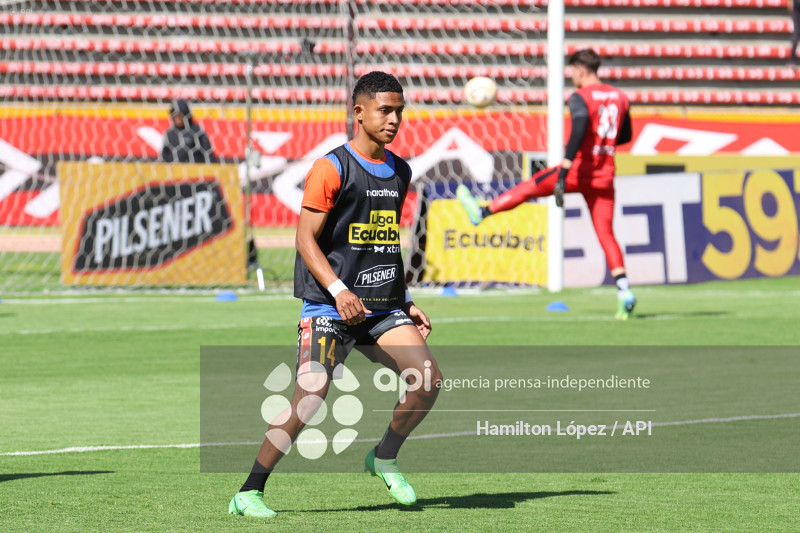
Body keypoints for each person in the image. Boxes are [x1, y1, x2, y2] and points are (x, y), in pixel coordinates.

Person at [228, 71, 442, 518]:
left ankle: (383, 456)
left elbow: (384, 242)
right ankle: (249, 492)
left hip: (381, 307)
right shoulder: (331, 167)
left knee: (427, 381)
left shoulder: (400, 170)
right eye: (385, 110)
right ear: (358, 111)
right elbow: (305, 240)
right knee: (310, 394)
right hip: (329, 304)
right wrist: (339, 289)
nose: (394, 119)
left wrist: (404, 301)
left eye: (399, 111)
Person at [456, 48, 636, 320]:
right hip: (605, 174)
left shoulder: (581, 96)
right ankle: (625, 292)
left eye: (572, 71)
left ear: (579, 69)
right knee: (606, 234)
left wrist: (564, 167)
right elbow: (626, 135)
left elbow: (579, 126)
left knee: (531, 186)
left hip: (579, 169)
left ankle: (482, 212)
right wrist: (603, 143)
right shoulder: (619, 97)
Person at [161, 99, 218, 163]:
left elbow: (209, 155)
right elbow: (164, 156)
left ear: (186, 114)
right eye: (174, 115)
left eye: (179, 115)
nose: (177, 118)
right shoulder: (170, 133)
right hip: (174, 170)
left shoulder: (197, 132)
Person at [790, 0, 800, 66]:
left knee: (796, 33)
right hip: (796, 6)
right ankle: (792, 60)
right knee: (796, 33)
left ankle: (792, 60)